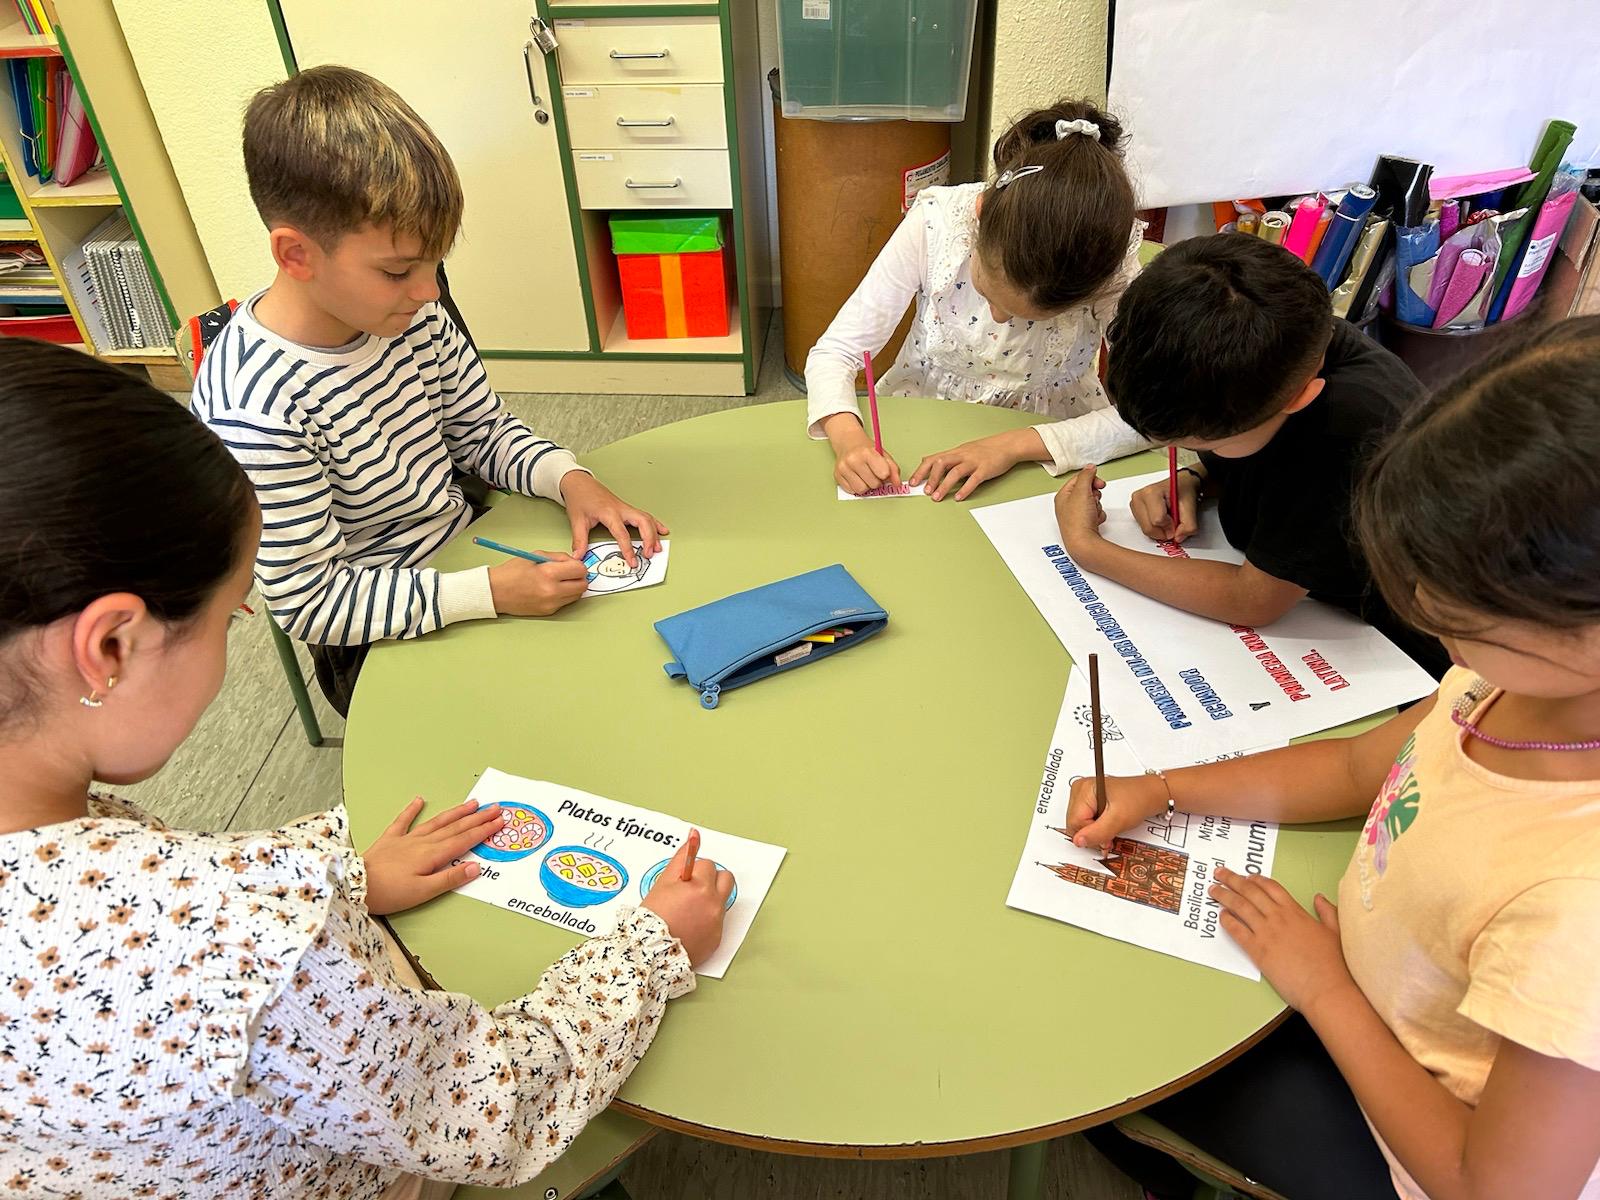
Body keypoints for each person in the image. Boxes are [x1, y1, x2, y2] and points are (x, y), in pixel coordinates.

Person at [0, 338, 731, 1197]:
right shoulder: (253, 954)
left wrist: (339, 878)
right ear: (111, 646)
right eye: (230, 617)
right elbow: (493, 1114)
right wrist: (650, 948)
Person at [1071, 317, 1600, 1200]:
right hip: (1348, 979)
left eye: (1462, 610)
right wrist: (1160, 788)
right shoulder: (1504, 685)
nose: (1425, 614)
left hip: (1404, 1134)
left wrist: (1324, 988)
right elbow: (1361, 769)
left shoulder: (1578, 910)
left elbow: (1494, 1188)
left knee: (1109, 1051)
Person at [192, 65, 664, 715]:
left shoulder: (409, 316)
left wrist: (570, 479)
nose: (430, 292)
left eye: (436, 264)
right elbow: (311, 602)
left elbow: (483, 434)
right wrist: (487, 593)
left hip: (469, 553)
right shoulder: (254, 407)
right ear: (296, 255)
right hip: (371, 637)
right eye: (398, 271)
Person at [1053, 232, 1448, 677]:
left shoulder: (1348, 434)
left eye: (1203, 445)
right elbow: (1262, 443)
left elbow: (1253, 601)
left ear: (1299, 399)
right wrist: (1199, 476)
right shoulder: (1291, 341)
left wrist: (1088, 548)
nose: (1184, 454)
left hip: (1399, 653)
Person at [805, 99, 1150, 501]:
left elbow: (1153, 413)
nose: (999, 318)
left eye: (1033, 317)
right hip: (921, 421)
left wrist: (1012, 445)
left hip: (1050, 443)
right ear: (980, 215)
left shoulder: (1110, 267)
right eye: (987, 293)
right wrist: (848, 438)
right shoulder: (937, 224)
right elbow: (836, 352)